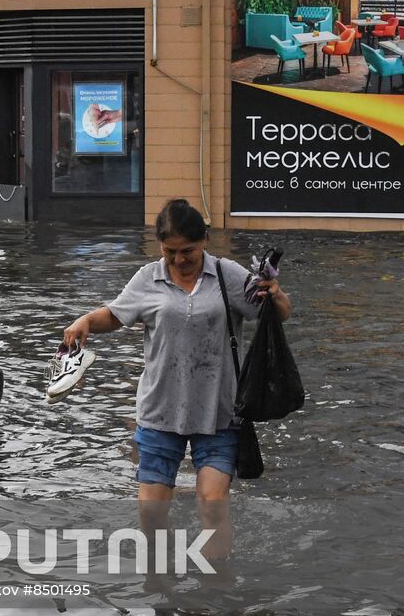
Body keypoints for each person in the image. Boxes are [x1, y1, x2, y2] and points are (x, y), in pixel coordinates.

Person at [62, 199, 291, 559]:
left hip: (219, 409)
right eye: (170, 252)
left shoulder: (228, 275)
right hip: (160, 409)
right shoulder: (148, 278)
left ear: (204, 241)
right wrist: (86, 321)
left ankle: (216, 584)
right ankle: (158, 577)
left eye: (188, 251)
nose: (179, 260)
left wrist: (276, 295)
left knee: (212, 502)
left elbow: (279, 313)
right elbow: (117, 315)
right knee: (151, 509)